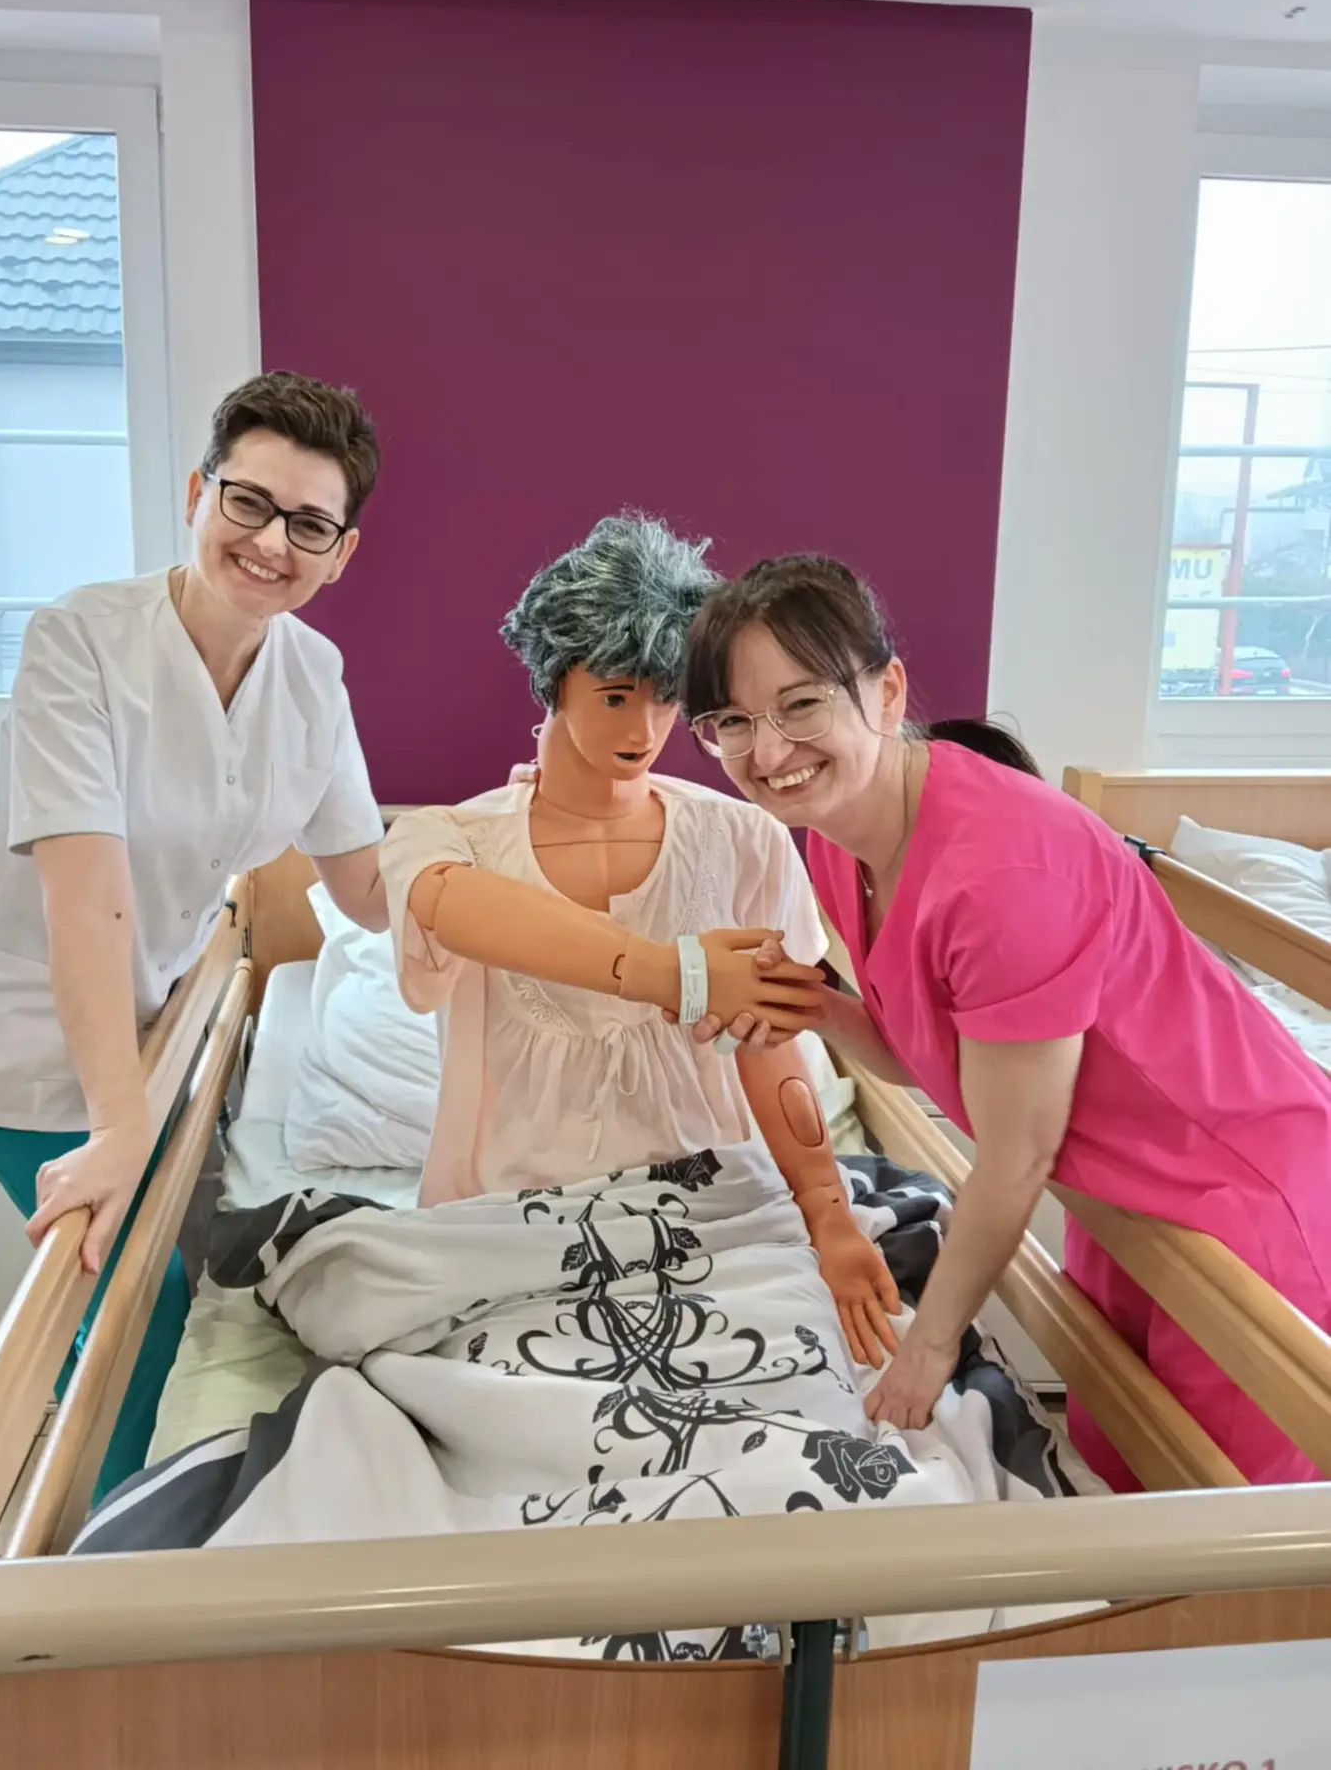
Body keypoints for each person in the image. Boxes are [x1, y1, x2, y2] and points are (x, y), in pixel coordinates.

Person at [680, 551, 1331, 1489]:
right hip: (1120, 1194)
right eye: (732, 722)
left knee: (1222, 1533)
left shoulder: (1001, 874)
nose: (769, 752)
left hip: (1246, 1194)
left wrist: (928, 1347)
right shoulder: (837, 844)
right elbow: (928, 1058)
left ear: (887, 692)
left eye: (801, 705)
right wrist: (812, 1005)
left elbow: (1015, 1154)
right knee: (1116, 1470)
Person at [0, 370, 388, 1500]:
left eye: (308, 524)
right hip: (25, 1030)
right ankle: (121, 1548)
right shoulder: (81, 640)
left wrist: (505, 847)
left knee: (164, 1275)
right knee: (134, 1304)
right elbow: (88, 897)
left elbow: (368, 886)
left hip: (155, 1017)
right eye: (248, 502)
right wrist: (120, 1126)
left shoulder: (313, 678)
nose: (270, 543)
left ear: (341, 554)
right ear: (196, 493)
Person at [378, 515, 901, 1366]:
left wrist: (829, 1214)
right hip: (507, 1221)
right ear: (555, 683)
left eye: (666, 697)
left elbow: (769, 1046)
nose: (645, 727)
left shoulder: (744, 838)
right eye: (616, 696)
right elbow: (451, 904)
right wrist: (679, 973)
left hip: (712, 1211)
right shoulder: (449, 841)